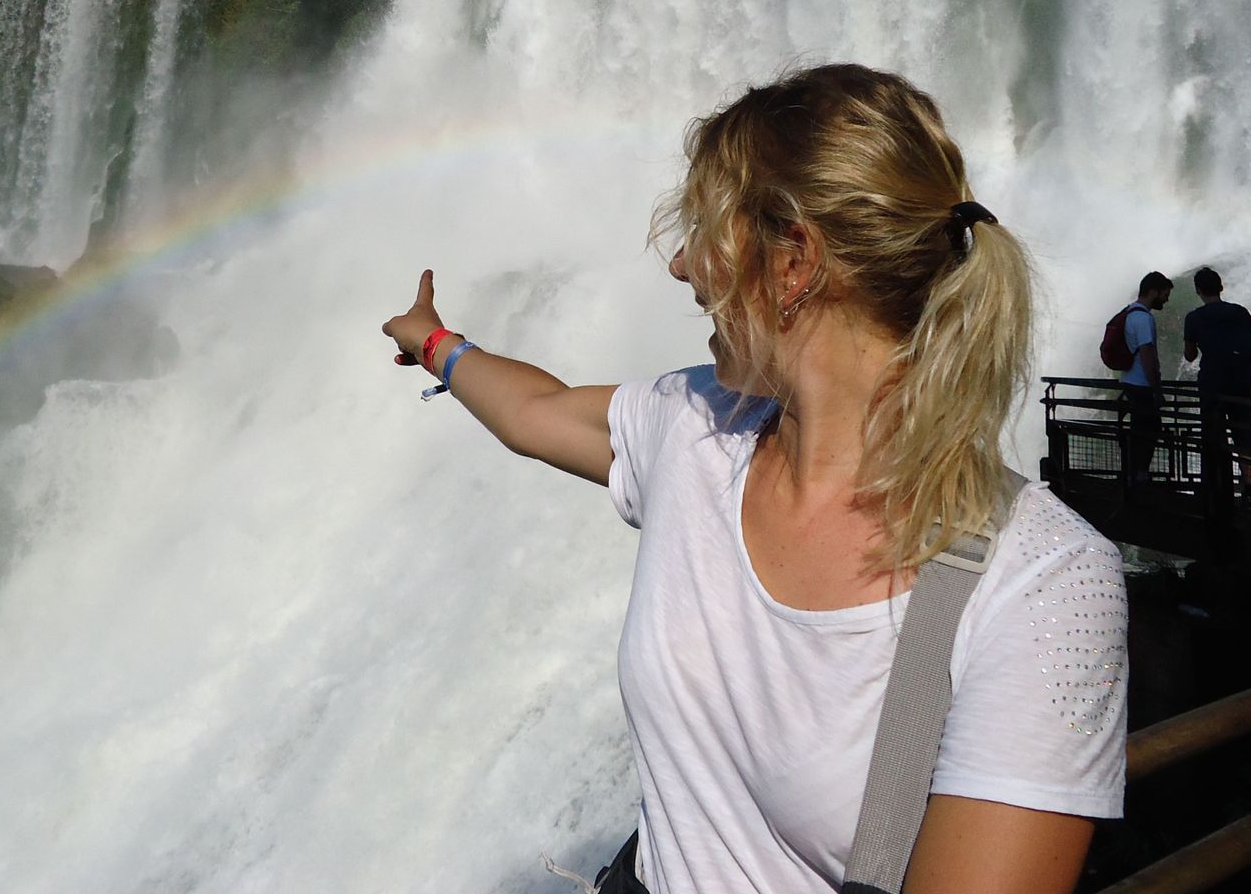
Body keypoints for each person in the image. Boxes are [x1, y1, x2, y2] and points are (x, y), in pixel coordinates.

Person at [382, 65, 1126, 894]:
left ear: (793, 261)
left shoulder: (1042, 582)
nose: (677, 266)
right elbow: (539, 412)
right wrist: (435, 343)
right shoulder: (699, 429)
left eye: (704, 229)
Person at [1182, 267, 1251, 496]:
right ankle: (1250, 488)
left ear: (1198, 290)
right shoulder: (1240, 312)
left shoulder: (1194, 317)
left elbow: (1190, 355)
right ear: (1221, 287)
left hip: (1212, 382)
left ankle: (1217, 486)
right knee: (1245, 434)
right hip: (1241, 379)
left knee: (1213, 433)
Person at [1118, 273, 1174, 488]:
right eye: (1164, 294)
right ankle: (1138, 475)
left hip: (1129, 381)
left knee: (1140, 429)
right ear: (1153, 292)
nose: (1166, 299)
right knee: (1147, 430)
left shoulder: (1130, 312)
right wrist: (1156, 388)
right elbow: (1147, 353)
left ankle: (1134, 473)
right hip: (1141, 384)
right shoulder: (1143, 318)